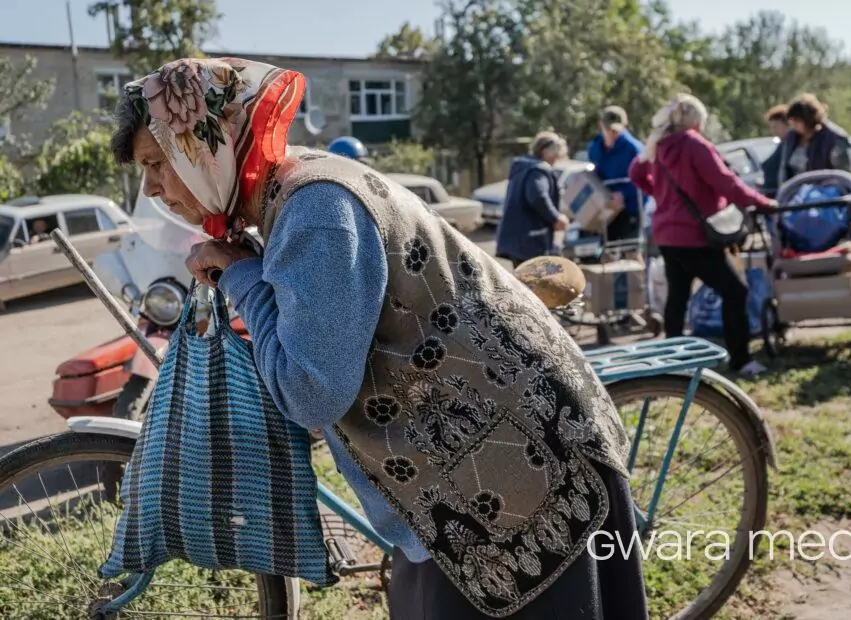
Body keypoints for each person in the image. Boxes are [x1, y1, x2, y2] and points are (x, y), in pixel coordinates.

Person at [110, 57, 647, 620]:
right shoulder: (291, 191)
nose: (152, 188)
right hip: (486, 464)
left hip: (520, 469)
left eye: (157, 162)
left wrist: (242, 277)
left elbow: (310, 392)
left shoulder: (313, 210)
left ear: (206, 142)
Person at [629, 93, 775, 378]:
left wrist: (661, 196)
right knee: (735, 292)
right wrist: (763, 202)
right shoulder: (694, 144)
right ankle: (741, 359)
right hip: (694, 235)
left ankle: (672, 359)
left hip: (666, 235)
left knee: (678, 296)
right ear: (696, 122)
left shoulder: (658, 144)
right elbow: (726, 183)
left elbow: (636, 173)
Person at [495, 131, 571, 268]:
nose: (556, 160)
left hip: (515, 239)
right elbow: (538, 197)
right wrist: (556, 218)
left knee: (521, 276)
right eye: (556, 154)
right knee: (535, 278)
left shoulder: (522, 167)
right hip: (531, 240)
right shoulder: (538, 170)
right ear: (546, 152)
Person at [587, 106, 645, 245]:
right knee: (606, 251)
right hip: (606, 210)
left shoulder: (635, 149)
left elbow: (644, 181)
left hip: (631, 210)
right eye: (608, 129)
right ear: (601, 126)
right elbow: (595, 176)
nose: (612, 134)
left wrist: (624, 194)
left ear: (624, 126)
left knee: (631, 250)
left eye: (616, 130)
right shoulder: (594, 148)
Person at [777, 93, 851, 188]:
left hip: (828, 193)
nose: (793, 125)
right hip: (795, 193)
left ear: (808, 119)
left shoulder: (834, 139)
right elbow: (784, 171)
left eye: (797, 121)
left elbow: (845, 176)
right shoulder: (791, 138)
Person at [760, 105, 789, 196]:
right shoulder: (782, 144)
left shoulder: (791, 145)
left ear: (787, 124)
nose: (773, 131)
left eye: (776, 127)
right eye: (772, 127)